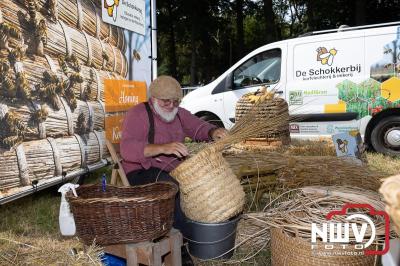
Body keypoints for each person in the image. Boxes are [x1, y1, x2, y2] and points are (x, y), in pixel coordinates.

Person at [120, 75, 227, 228]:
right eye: (166, 101)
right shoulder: (138, 114)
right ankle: (181, 237)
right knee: (171, 186)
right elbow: (127, 148)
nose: (171, 106)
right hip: (141, 171)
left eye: (175, 101)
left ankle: (204, 227)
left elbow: (198, 127)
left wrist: (213, 131)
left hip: (173, 170)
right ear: (154, 98)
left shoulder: (179, 114)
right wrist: (163, 148)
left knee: (205, 181)